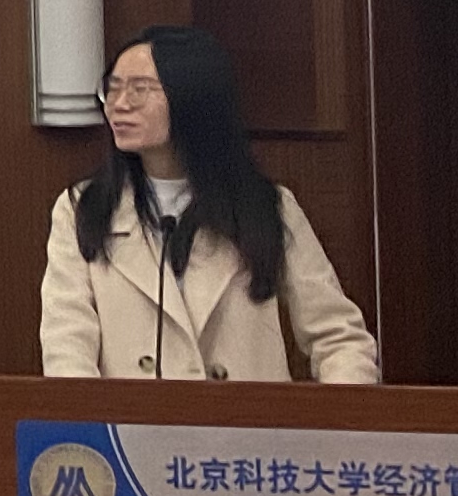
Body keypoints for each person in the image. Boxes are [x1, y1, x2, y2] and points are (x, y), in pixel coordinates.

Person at [40, 23, 377, 382]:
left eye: (140, 90)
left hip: (244, 417)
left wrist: (340, 413)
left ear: (193, 98)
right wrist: (90, 416)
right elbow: (67, 345)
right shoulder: (82, 208)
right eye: (112, 88)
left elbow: (339, 338)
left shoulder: (265, 206)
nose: (119, 105)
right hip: (132, 419)